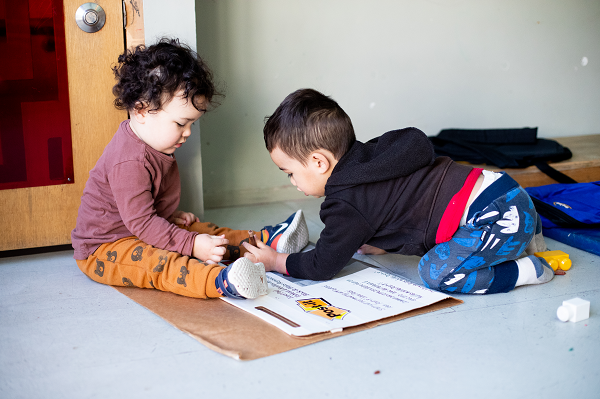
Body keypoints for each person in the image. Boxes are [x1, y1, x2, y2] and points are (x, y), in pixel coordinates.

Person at [243, 88, 553, 295]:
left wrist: (276, 261)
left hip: (495, 219)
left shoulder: (345, 202)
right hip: (510, 193)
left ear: (318, 162)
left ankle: (527, 269)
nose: (292, 182)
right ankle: (531, 243)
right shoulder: (374, 156)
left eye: (290, 173)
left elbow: (322, 266)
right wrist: (383, 242)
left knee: (435, 272)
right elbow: (402, 202)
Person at [71, 39, 308, 300]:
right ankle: (220, 281)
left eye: (192, 124)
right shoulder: (129, 161)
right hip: (106, 249)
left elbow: (141, 210)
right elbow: (140, 221)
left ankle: (262, 242)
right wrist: (191, 245)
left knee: (200, 230)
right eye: (181, 123)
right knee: (161, 263)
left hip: (137, 228)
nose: (187, 133)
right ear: (141, 110)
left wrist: (171, 218)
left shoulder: (153, 143)